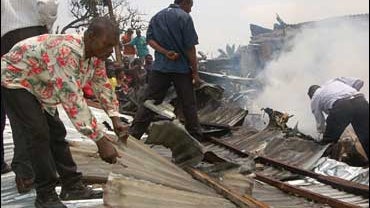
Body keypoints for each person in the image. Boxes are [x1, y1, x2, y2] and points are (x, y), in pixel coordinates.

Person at [1, 17, 127, 208]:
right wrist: (100, 140)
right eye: (107, 44)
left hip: (39, 83)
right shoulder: (67, 51)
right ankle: (46, 195)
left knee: (57, 133)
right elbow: (73, 100)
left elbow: (102, 85)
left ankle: (72, 186)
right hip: (16, 79)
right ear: (90, 36)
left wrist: (115, 117)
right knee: (38, 133)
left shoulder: (96, 55)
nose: (110, 51)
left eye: (113, 46)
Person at [1, 0, 58, 194]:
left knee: (19, 113)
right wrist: (47, 27)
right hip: (32, 35)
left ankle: (25, 174)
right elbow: (48, 6)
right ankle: (47, 173)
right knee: (46, 107)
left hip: (5, 40)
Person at [129, 0, 203, 141]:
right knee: (188, 103)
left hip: (160, 68)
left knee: (150, 102)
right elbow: (190, 47)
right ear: (185, 3)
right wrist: (195, 73)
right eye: (190, 6)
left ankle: (133, 136)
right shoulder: (184, 17)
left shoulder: (157, 16)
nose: (190, 10)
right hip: (181, 69)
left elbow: (150, 40)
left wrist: (165, 52)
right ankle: (196, 138)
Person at [308, 77, 369, 158]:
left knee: (328, 142)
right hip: (361, 101)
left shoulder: (315, 97)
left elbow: (320, 122)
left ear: (311, 95)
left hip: (342, 106)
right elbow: (359, 82)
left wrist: (323, 134)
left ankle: (320, 162)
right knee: (366, 136)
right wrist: (350, 96)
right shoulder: (333, 81)